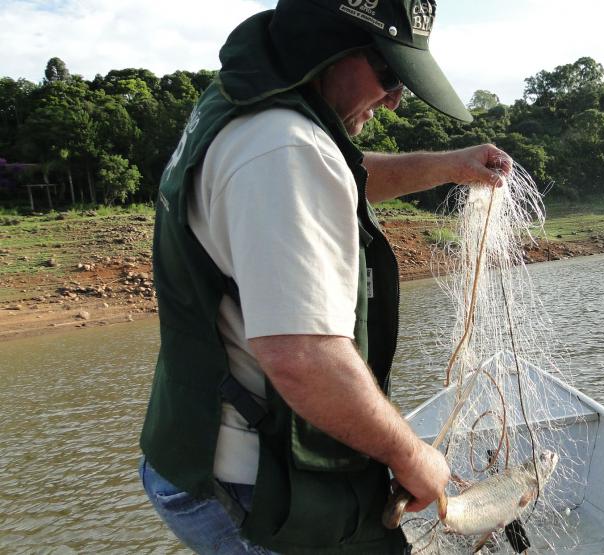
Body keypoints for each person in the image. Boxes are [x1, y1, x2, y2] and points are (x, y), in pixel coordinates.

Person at [137, 0, 510, 553]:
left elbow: (334, 175)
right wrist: (412, 455)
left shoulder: (244, 108)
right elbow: (303, 356)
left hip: (189, 453)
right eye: (387, 72)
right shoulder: (283, 146)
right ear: (325, 44)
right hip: (253, 484)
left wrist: (447, 166)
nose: (396, 97)